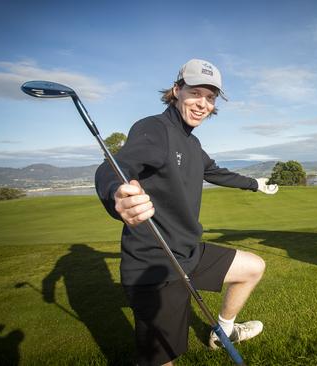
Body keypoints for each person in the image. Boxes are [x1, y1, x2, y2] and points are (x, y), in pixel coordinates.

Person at [95, 58, 277, 365]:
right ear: (177, 90)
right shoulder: (154, 128)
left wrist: (254, 184)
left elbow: (216, 172)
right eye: (196, 93)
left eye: (210, 97)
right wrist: (116, 192)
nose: (203, 103)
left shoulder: (192, 144)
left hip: (189, 252)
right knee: (161, 360)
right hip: (155, 265)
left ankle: (223, 332)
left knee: (252, 267)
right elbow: (117, 165)